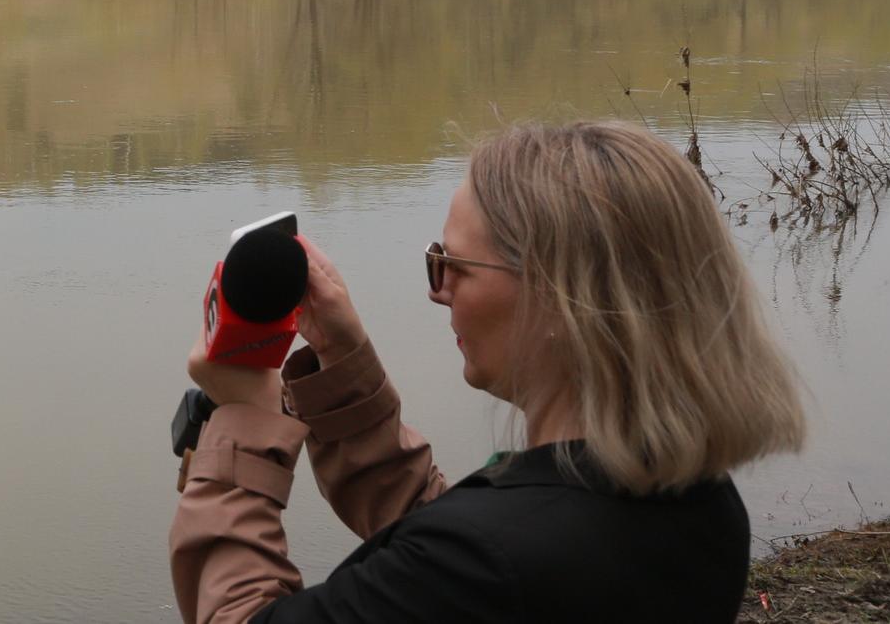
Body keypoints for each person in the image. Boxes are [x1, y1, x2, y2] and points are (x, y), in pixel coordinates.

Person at [170, 121, 808, 623]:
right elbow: (450, 538)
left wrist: (245, 420)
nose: (438, 290)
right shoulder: (698, 502)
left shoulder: (488, 561)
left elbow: (459, 562)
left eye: (453, 264)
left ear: (559, 298)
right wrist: (342, 363)